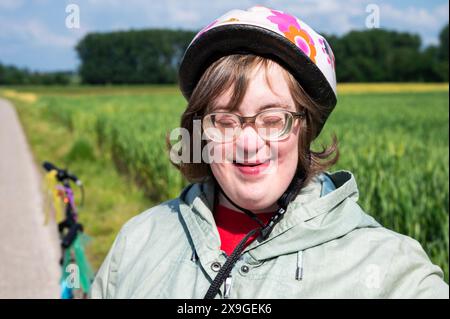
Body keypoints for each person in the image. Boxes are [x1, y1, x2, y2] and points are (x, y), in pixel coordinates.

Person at [91, 6, 448, 299]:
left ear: (304, 126)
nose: (248, 143)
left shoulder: (389, 269)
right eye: (225, 120)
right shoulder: (137, 242)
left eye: (272, 118)